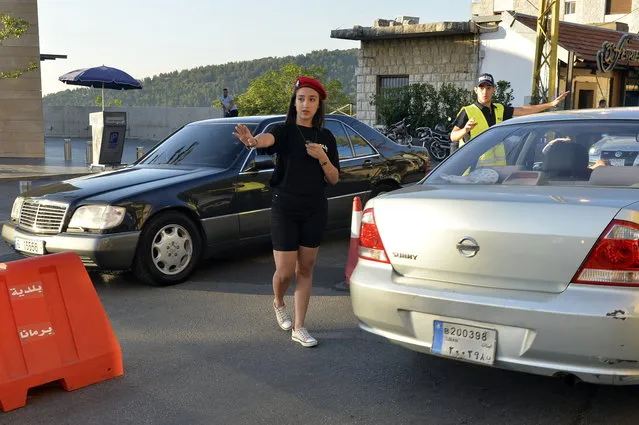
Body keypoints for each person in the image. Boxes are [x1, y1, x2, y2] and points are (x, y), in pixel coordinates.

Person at [232, 76, 340, 347]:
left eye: (312, 99)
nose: (306, 104)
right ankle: (279, 301)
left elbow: (335, 178)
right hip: (285, 207)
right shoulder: (284, 131)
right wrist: (253, 141)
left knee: (306, 268)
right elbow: (267, 140)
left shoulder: (326, 137)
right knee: (285, 271)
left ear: (319, 105)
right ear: (294, 102)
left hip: (315, 207)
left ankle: (300, 327)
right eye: (301, 98)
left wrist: (322, 158)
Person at [450, 73, 569, 167]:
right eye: (481, 88)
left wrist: (550, 104)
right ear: (476, 90)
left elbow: (523, 110)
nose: (485, 92)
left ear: (493, 89)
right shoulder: (468, 111)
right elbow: (453, 136)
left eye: (488, 88)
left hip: (497, 170)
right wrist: (465, 130)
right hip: (472, 170)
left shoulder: (499, 109)